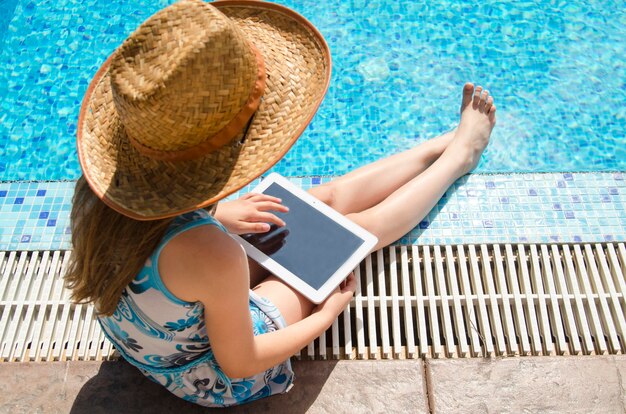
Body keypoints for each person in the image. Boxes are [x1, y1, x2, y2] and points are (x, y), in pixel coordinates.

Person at [65, 0, 496, 408]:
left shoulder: (100, 190)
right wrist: (323, 317)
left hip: (153, 324)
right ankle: (459, 157)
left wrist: (217, 214)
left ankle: (435, 149)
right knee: (345, 241)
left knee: (315, 204)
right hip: (206, 372)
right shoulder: (211, 254)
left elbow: (162, 243)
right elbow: (241, 361)